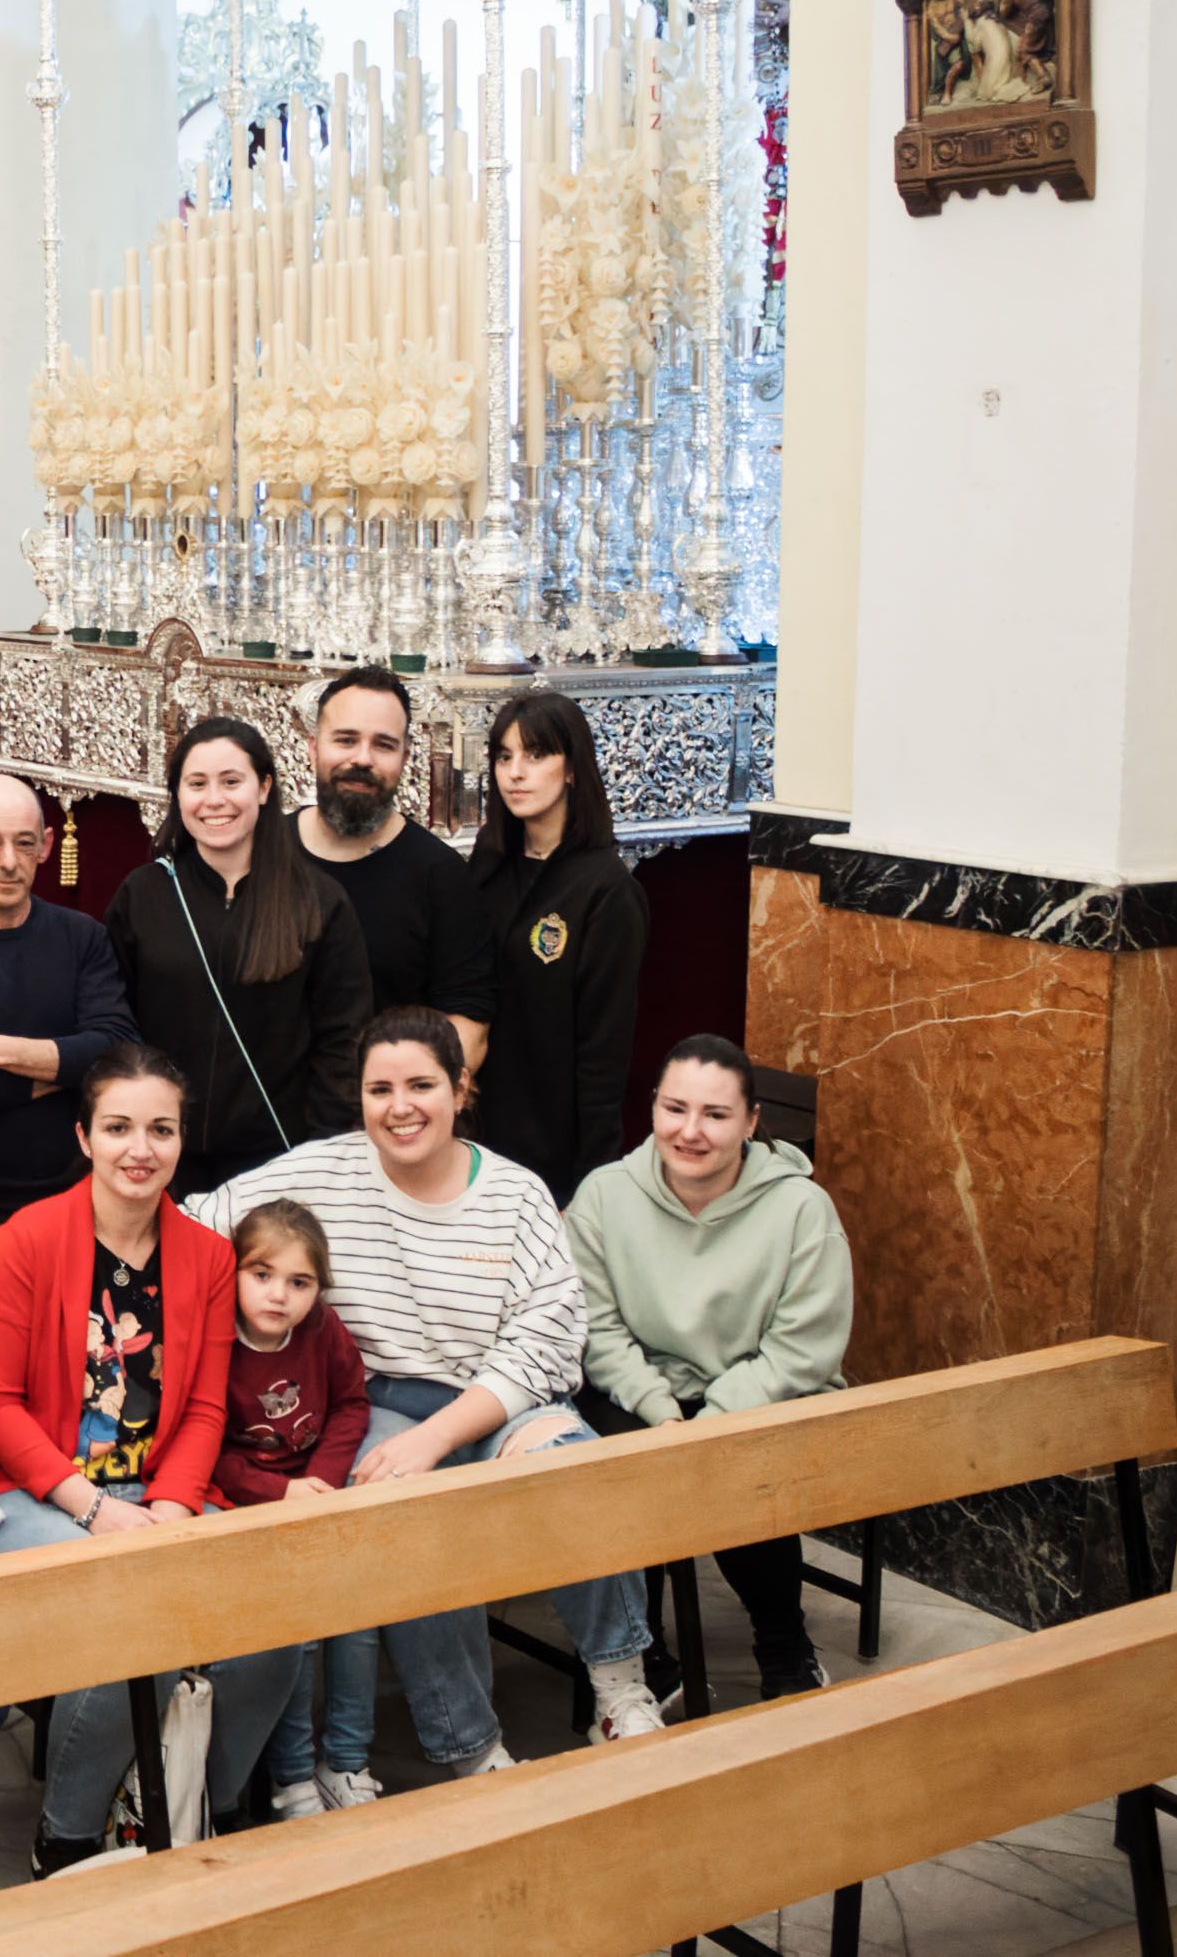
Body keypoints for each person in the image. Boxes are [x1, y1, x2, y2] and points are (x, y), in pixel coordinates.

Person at [196, 1005, 666, 1776]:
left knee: (578, 1468)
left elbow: (548, 1339)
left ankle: (620, 1693)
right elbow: (198, 1225)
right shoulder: (322, 1170)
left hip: (496, 1402)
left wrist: (442, 1434)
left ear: (461, 1089)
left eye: (422, 1084)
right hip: (371, 1402)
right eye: (380, 1089)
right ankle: (473, 1749)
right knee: (408, 1514)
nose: (400, 1106)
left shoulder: (516, 1195)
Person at [0, 1042, 295, 1872]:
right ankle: (65, 1836)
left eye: (161, 1130)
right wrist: (96, 1511)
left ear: (182, 1140)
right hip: (32, 1494)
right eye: (119, 1127)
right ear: (84, 1137)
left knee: (277, 1625)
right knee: (133, 1609)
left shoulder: (208, 1257)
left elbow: (206, 1402)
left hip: (159, 1494)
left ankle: (184, 1808)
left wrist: (171, 1509)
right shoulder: (28, 1238)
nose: (141, 1149)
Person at [569, 1033, 853, 1699]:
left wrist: (713, 1420)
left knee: (736, 1462)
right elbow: (596, 1328)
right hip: (641, 1391)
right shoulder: (605, 1196)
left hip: (759, 1390)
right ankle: (641, 1659)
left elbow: (803, 1347)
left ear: (752, 1123)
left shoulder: (801, 1209)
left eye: (716, 1115)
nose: (690, 1131)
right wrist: (662, 1409)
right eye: (675, 1109)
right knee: (615, 1462)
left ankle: (784, 1644)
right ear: (653, 1108)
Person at [103, 715, 371, 1197]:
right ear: (177, 795)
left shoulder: (319, 901)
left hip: (278, 1164)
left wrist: (318, 1157)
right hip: (160, 1162)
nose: (214, 800)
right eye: (197, 784)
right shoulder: (142, 894)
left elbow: (343, 1043)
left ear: (264, 787)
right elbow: (116, 1027)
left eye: (232, 781)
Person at [0, 773, 138, 1313]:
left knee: (80, 1379)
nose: (8, 861)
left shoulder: (83, 937)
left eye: (24, 843)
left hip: (71, 1208)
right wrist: (68, 1076)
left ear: (46, 847)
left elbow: (117, 1057)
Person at [211, 1200, 378, 1822]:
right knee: (297, 1624)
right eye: (261, 1274)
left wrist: (318, 1482)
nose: (279, 1295)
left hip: (313, 1492)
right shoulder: (215, 1341)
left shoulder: (322, 1330)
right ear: (233, 1273)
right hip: (247, 1505)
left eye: (299, 1282)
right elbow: (208, 1452)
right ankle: (290, 1777)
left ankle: (348, 1761)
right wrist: (281, 1495)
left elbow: (350, 1406)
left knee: (358, 1604)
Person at [469, 690, 649, 1199]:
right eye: (504, 757)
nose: (515, 772)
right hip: (473, 1137)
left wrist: (588, 1189)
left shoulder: (606, 890)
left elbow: (603, 1057)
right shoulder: (489, 858)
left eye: (536, 754)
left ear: (572, 769)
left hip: (552, 1153)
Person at [292, 667, 493, 1057]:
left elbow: (467, 1024)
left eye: (383, 745)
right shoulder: (263, 855)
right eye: (346, 740)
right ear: (314, 747)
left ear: (405, 757)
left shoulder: (441, 876)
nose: (362, 759)